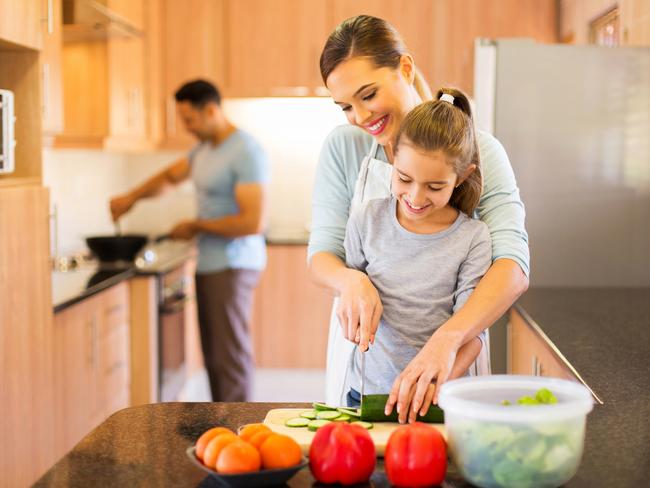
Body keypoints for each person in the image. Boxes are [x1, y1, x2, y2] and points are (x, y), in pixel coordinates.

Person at [308, 15, 530, 423]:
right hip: (364, 372)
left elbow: (512, 267)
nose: (359, 116)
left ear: (404, 69)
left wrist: (447, 340)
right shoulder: (343, 147)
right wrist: (350, 280)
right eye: (345, 106)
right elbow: (322, 255)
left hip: (451, 365)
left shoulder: (481, 152)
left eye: (368, 94)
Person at [110, 79, 270, 402]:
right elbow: (170, 177)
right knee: (214, 357)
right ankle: (221, 431)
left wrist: (195, 226)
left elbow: (252, 222)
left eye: (189, 120)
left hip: (234, 265)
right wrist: (131, 197)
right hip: (211, 264)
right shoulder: (204, 150)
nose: (187, 128)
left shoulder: (245, 151)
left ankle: (240, 434)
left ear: (210, 110)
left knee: (230, 358)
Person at [344, 89, 490, 416]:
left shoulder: (472, 238)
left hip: (438, 399)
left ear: (462, 176)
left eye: (435, 187)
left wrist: (431, 384)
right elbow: (351, 284)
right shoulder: (366, 219)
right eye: (404, 178)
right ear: (393, 157)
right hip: (365, 395)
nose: (414, 197)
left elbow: (473, 332)